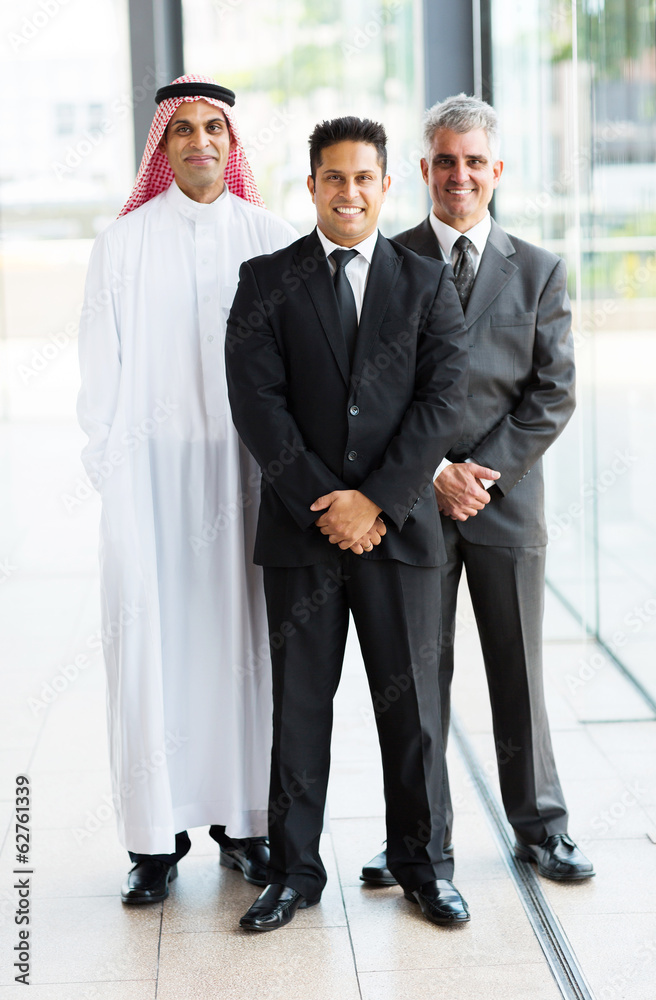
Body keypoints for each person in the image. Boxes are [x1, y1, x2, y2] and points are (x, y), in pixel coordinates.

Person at [225, 116, 470, 932]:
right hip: (304, 533)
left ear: (386, 184)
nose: (349, 192)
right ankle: (294, 872)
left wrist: (378, 500)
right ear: (311, 187)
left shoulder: (427, 282)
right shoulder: (264, 281)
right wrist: (329, 504)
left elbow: (443, 402)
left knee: (413, 713)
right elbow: (257, 408)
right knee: (298, 707)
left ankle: (423, 866)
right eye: (334, 178)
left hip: (398, 534)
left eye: (364, 178)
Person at [361, 94, 594, 887]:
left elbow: (552, 393)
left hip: (505, 506)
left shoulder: (537, 271)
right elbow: (373, 390)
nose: (459, 176)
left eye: (473, 162)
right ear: (422, 171)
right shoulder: (386, 265)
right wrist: (431, 475)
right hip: (413, 505)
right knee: (414, 680)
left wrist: (478, 475)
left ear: (496, 171)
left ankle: (542, 829)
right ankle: (415, 842)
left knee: (517, 674)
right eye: (444, 162)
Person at [77, 74, 298, 904]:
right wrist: (113, 473)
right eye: (183, 130)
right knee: (150, 651)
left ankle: (245, 826)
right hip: (149, 481)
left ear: (232, 145)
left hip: (246, 480)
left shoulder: (271, 236)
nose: (200, 141)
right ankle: (154, 842)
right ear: (162, 146)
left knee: (244, 651)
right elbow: (100, 371)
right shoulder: (122, 243)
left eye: (215, 129)